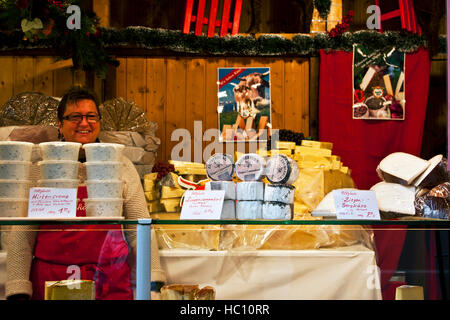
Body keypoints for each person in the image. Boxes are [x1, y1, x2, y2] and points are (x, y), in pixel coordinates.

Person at [6, 87, 166, 300]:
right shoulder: (39, 168)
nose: (84, 123)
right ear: (60, 125)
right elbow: (22, 234)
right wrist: (18, 289)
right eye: (75, 117)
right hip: (51, 280)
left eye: (91, 116)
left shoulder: (121, 165)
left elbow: (139, 229)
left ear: (99, 122)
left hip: (109, 278)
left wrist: (153, 279)